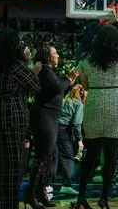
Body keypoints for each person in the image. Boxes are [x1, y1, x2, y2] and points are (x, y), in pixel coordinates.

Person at [0, 31, 42, 209]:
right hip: (10, 117)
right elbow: (34, 84)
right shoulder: (13, 65)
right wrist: (27, 62)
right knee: (10, 168)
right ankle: (7, 205)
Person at [75, 25, 118, 209]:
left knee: (90, 154)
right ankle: (104, 199)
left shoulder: (87, 60)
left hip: (94, 104)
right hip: (116, 105)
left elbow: (84, 85)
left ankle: (81, 196)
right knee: (110, 156)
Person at [27, 45, 75, 208]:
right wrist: (69, 80)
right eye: (55, 53)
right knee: (42, 157)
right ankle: (31, 193)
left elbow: (58, 89)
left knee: (47, 158)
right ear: (48, 56)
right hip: (44, 118)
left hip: (50, 118)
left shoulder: (49, 72)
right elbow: (57, 87)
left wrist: (67, 82)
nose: (58, 55)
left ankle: (40, 193)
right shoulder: (46, 71)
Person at [57, 85, 84, 195]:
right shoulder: (78, 104)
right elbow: (77, 123)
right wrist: (80, 140)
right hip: (64, 131)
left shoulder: (61, 100)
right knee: (68, 158)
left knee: (53, 158)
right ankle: (66, 185)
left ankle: (46, 185)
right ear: (81, 93)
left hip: (53, 128)